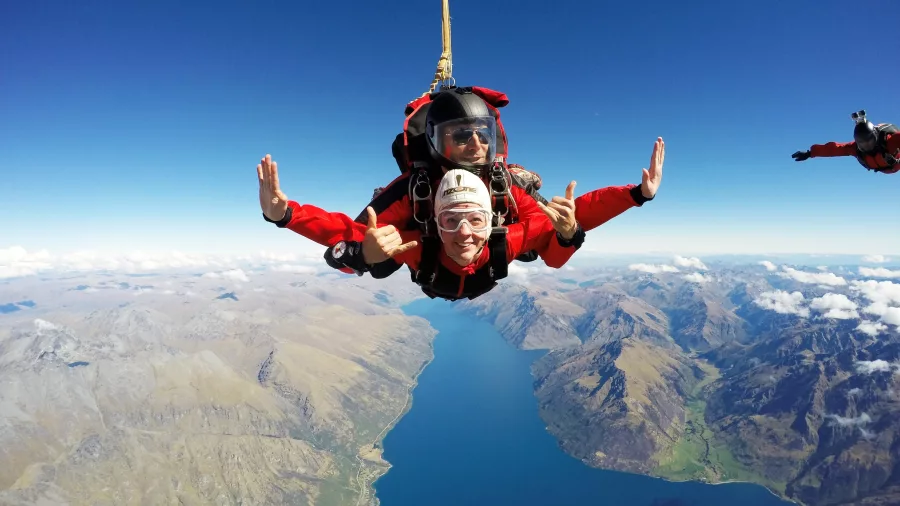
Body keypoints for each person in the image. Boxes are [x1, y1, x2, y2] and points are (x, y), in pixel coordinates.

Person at [325, 168, 584, 301]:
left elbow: (556, 225)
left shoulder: (504, 241)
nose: (465, 233)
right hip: (434, 260)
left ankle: (516, 177)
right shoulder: (418, 244)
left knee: (530, 252)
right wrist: (360, 256)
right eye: (452, 222)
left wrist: (570, 232)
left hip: (440, 269)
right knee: (381, 267)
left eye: (475, 221)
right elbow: (346, 237)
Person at [791, 110, 900, 174]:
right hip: (883, 168)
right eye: (862, 143)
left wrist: (897, 160)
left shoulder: (890, 141)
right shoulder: (855, 148)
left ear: (876, 137)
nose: (867, 146)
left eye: (869, 142)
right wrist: (809, 153)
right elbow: (833, 149)